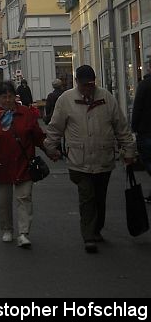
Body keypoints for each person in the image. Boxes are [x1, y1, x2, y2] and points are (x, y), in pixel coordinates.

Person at [45, 65, 137, 253]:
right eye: (85, 84)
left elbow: (121, 127)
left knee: (100, 198)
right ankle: (89, 236)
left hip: (103, 158)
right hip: (79, 160)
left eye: (91, 84)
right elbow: (55, 127)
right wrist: (51, 148)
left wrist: (129, 151)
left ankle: (97, 229)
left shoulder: (106, 98)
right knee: (87, 197)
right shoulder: (66, 100)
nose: (88, 88)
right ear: (77, 82)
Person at [0, 80, 46, 248]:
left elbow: (37, 136)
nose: (8, 100)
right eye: (4, 97)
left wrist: (50, 150)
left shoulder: (27, 114)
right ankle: (7, 229)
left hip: (24, 164)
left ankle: (23, 233)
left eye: (10, 96)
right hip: (1, 165)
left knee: (24, 198)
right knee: (3, 201)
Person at [130, 61, 151, 203]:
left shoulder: (145, 85)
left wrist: (134, 127)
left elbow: (137, 108)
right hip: (146, 129)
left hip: (147, 129)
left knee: (148, 160)